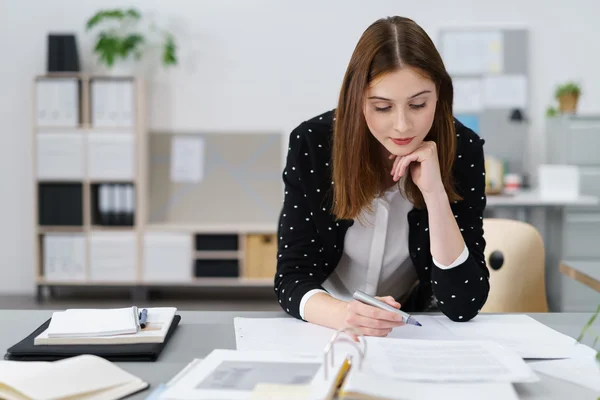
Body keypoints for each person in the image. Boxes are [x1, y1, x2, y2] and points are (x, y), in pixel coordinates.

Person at [274, 16, 490, 337]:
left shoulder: (463, 148)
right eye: (383, 107)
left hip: (410, 332)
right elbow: (291, 277)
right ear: (357, 99)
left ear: (439, 96)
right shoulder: (313, 144)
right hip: (325, 325)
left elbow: (464, 303)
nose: (402, 126)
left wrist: (435, 195)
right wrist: (345, 314)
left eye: (418, 104)